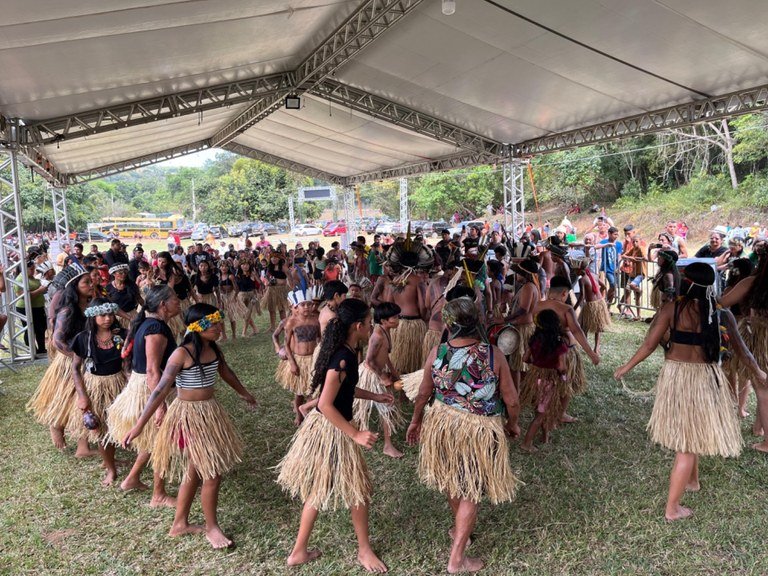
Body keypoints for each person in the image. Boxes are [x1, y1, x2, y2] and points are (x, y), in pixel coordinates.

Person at [615, 262, 754, 520]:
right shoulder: (721, 313)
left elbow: (649, 344)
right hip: (703, 379)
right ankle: (676, 503)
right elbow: (744, 353)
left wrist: (627, 367)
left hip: (677, 376)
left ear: (685, 283)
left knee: (689, 440)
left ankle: (682, 495)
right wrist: (758, 372)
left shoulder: (672, 309)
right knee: (690, 439)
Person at [124, 304, 257, 548]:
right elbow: (160, 389)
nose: (219, 328)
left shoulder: (213, 349)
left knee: (196, 470)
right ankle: (212, 527)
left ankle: (179, 524)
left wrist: (244, 393)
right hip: (188, 417)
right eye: (213, 324)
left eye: (219, 322)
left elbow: (225, 372)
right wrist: (139, 425)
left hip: (210, 412)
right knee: (212, 472)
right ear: (198, 327)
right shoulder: (181, 354)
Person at [406, 297, 520, 574]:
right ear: (477, 321)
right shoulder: (494, 355)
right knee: (471, 488)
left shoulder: (438, 351)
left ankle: (463, 533)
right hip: (478, 429)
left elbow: (423, 393)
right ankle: (457, 559)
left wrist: (415, 421)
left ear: (448, 323)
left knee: (454, 481)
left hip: (443, 425)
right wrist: (513, 424)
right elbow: (512, 400)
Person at [276, 299, 391, 573]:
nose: (372, 326)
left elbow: (343, 389)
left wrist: (374, 395)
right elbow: (326, 404)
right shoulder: (343, 357)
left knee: (321, 490)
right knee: (357, 490)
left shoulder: (345, 350)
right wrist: (356, 434)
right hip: (333, 429)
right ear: (359, 326)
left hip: (330, 427)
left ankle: (298, 552)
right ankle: (363, 551)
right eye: (369, 321)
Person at [106, 285, 180, 507]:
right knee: (160, 442)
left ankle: (131, 479)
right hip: (151, 390)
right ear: (163, 304)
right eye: (175, 298)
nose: (178, 301)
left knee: (151, 440)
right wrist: (159, 405)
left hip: (145, 387)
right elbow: (152, 370)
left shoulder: (150, 323)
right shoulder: (155, 329)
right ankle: (159, 494)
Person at [27, 264, 94, 453]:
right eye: (86, 282)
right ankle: (56, 426)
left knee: (81, 400)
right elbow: (57, 340)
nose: (91, 284)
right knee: (65, 397)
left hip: (84, 358)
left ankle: (83, 445)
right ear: (75, 287)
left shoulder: (90, 306)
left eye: (91, 281)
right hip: (69, 360)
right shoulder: (68, 310)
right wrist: (76, 357)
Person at [68, 299, 129, 485]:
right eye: (102, 315)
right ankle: (111, 469)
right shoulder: (84, 338)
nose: (108, 319)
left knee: (120, 427)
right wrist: (82, 395)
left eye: (110, 314)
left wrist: (131, 388)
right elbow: (75, 368)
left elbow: (127, 365)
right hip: (96, 387)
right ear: (93, 316)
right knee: (102, 431)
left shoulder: (122, 335)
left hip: (119, 384)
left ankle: (112, 459)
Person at [353, 302, 404, 459]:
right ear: (383, 320)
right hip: (371, 375)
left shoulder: (385, 331)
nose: (398, 319)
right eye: (394, 317)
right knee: (385, 406)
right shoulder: (377, 336)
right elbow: (369, 361)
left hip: (379, 373)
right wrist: (382, 376)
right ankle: (387, 446)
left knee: (385, 406)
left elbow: (385, 355)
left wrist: (393, 372)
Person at [520, 309, 569, 451]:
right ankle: (527, 443)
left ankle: (544, 435)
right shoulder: (559, 344)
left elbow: (525, 359)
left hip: (534, 380)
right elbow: (562, 366)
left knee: (542, 409)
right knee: (540, 415)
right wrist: (564, 375)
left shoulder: (535, 340)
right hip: (549, 382)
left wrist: (535, 364)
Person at [277, 288, 321, 423]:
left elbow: (320, 339)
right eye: (303, 305)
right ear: (296, 307)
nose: (306, 307)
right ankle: (299, 415)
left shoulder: (316, 320)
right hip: (299, 360)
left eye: (309, 304)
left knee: (312, 390)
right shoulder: (292, 322)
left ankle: (311, 416)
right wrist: (292, 363)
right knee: (299, 392)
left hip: (313, 359)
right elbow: (286, 344)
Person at [573, 256, 610, 353]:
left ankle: (586, 347)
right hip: (600, 303)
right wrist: (600, 296)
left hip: (591, 305)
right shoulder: (595, 275)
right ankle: (596, 348)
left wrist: (574, 308)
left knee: (584, 326)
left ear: (579, 269)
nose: (574, 272)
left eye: (575, 270)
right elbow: (604, 286)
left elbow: (581, 297)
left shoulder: (582, 280)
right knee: (598, 326)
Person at [16, 258, 49, 355]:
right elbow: (25, 296)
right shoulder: (20, 279)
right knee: (30, 329)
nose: (33, 271)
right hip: (26, 308)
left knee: (41, 328)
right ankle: (32, 350)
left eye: (34, 269)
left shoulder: (31, 278)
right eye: (31, 269)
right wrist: (40, 290)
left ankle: (42, 348)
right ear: (24, 269)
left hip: (38, 307)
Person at [107, 263, 142, 330]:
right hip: (117, 317)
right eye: (120, 273)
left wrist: (149, 309)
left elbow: (139, 299)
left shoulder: (132, 285)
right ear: (113, 274)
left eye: (125, 272)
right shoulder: (108, 288)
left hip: (133, 315)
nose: (123, 274)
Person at [262, 252, 291, 332]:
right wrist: (268, 282)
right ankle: (272, 327)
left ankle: (285, 325)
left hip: (282, 290)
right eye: (272, 258)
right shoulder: (270, 267)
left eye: (276, 257)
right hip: (272, 290)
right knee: (271, 309)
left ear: (279, 258)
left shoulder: (283, 267)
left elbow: (289, 276)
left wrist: (285, 283)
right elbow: (266, 276)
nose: (274, 259)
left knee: (281, 309)